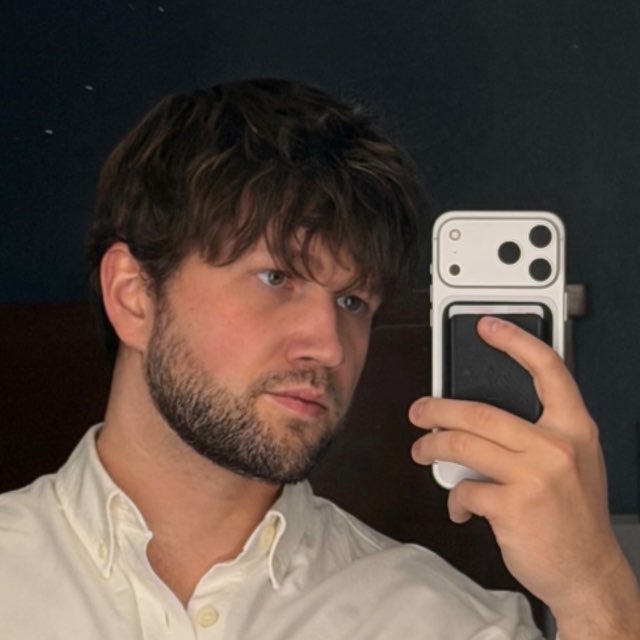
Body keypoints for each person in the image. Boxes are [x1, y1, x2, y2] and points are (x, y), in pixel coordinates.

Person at [1, 78, 638, 639]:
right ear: (133, 296)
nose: (330, 346)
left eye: (353, 301)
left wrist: (596, 593)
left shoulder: (448, 625)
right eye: (276, 278)